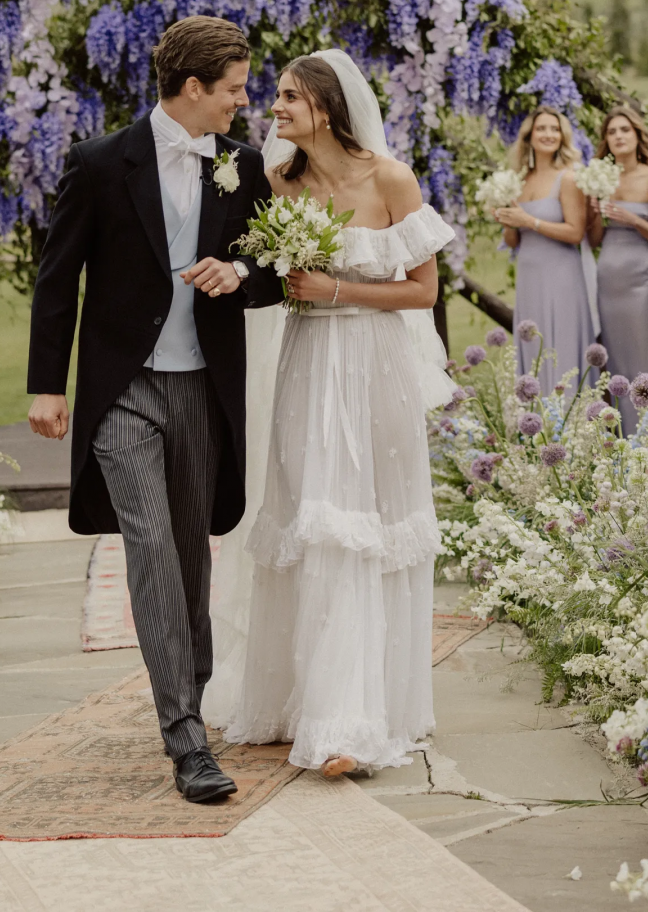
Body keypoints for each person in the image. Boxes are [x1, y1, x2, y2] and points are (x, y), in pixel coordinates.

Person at [26, 16, 282, 805]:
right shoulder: (100, 163)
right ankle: (186, 740)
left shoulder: (242, 165)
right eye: (235, 89)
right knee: (148, 547)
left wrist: (238, 271)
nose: (246, 103)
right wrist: (47, 384)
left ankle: (189, 695)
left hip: (203, 385)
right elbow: (56, 276)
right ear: (194, 87)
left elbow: (275, 267)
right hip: (123, 391)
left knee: (190, 552)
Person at [215, 49, 454, 776]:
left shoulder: (390, 179)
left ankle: (353, 719)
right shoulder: (277, 179)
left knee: (362, 527)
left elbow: (423, 292)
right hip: (307, 366)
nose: (274, 107)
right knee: (312, 519)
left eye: (288, 97)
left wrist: (337, 292)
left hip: (375, 366)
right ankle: (303, 698)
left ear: (325, 106)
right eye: (275, 96)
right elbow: (262, 267)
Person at [494, 107, 595, 394]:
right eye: (542, 128)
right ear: (530, 135)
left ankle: (569, 424)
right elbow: (513, 241)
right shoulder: (517, 179)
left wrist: (530, 221)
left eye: (554, 129)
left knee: (560, 344)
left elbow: (576, 232)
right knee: (532, 343)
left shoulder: (569, 178)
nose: (548, 134)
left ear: (562, 137)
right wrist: (507, 220)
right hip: (529, 275)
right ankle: (535, 426)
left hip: (562, 275)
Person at [588, 108, 648, 431]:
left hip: (643, 278)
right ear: (606, 141)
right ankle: (632, 444)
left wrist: (631, 218)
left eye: (625, 130)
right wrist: (595, 212)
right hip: (608, 280)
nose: (618, 136)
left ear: (637, 136)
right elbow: (594, 238)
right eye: (612, 132)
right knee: (619, 363)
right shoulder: (598, 179)